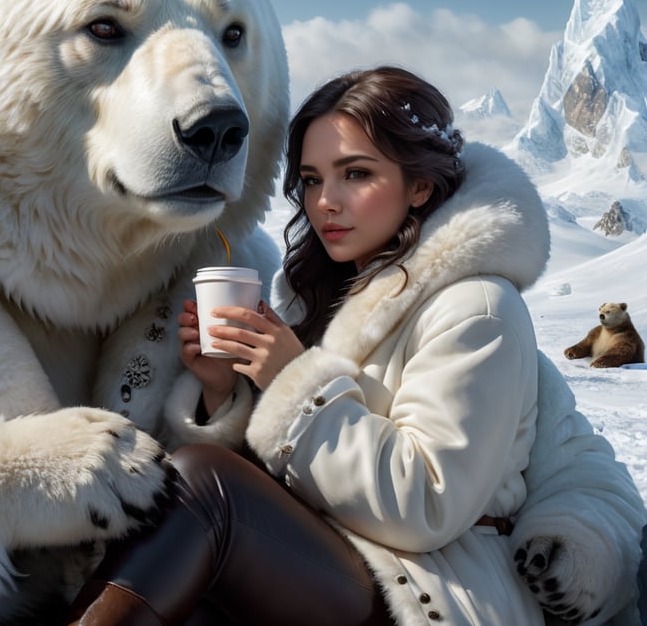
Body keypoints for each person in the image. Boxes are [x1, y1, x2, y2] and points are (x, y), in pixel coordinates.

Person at [64, 66, 593, 625]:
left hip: (426, 587)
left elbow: (426, 504)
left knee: (204, 484)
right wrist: (224, 391)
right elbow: (286, 475)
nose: (325, 203)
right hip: (326, 563)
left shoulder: (476, 309)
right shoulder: (312, 299)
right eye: (312, 180)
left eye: (356, 174)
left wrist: (292, 381)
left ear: (420, 184)